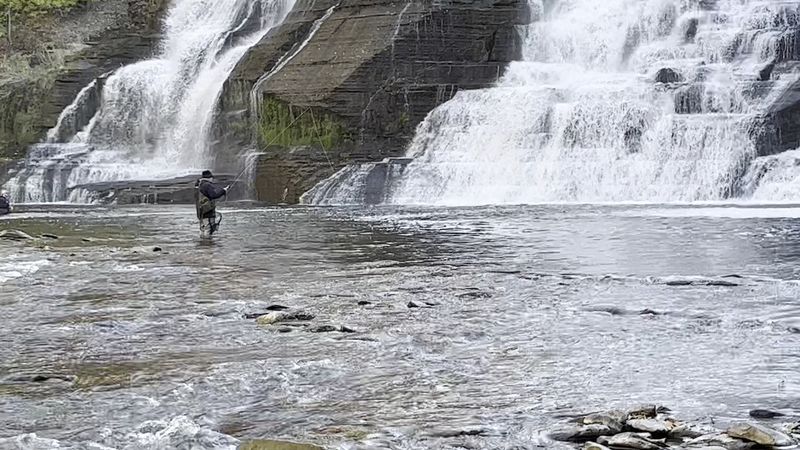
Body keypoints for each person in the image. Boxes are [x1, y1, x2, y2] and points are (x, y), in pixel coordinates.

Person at [195, 170, 228, 235]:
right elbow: (213, 195)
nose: (212, 179)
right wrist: (223, 191)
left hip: (200, 211)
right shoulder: (207, 185)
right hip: (207, 210)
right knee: (209, 228)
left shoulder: (199, 184)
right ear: (210, 178)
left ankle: (202, 243)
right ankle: (208, 243)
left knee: (203, 228)